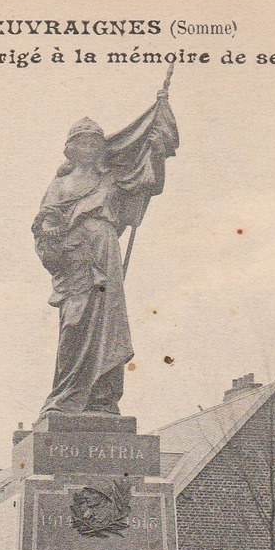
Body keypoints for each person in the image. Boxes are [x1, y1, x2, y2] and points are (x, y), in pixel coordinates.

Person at [33, 88, 179, 417]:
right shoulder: (59, 185)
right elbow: (43, 225)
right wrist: (52, 235)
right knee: (75, 324)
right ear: (72, 148)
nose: (89, 148)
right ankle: (66, 397)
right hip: (76, 260)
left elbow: (143, 185)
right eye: (82, 142)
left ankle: (102, 398)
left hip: (105, 252)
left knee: (107, 324)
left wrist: (153, 148)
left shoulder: (111, 180)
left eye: (94, 143)